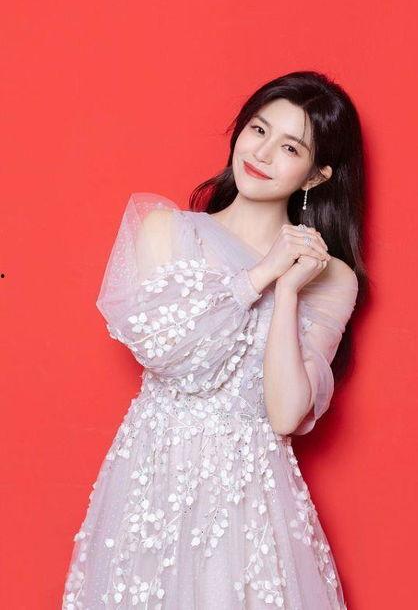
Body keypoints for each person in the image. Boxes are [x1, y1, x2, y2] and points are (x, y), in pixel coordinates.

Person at [62, 70, 367, 609]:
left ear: (316, 175)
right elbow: (172, 357)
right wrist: (260, 274)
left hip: (251, 494)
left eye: (290, 147)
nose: (262, 153)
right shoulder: (168, 231)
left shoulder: (330, 276)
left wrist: (288, 290)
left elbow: (284, 414)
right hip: (155, 480)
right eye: (258, 130)